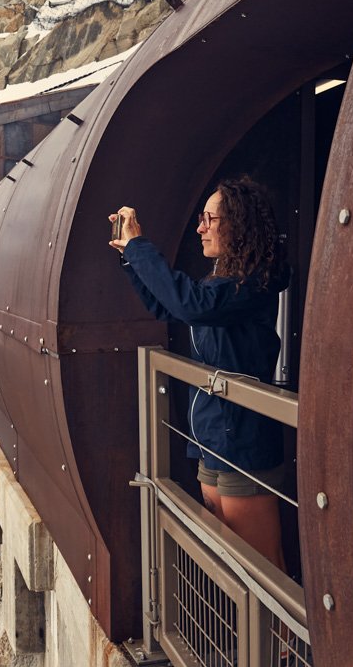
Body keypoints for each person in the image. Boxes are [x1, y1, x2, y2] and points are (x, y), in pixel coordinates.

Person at [109, 175, 290, 570]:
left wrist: (141, 248)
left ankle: (281, 635)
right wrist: (130, 258)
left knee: (261, 569)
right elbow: (167, 307)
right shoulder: (221, 284)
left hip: (242, 439)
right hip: (211, 437)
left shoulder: (250, 285)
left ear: (237, 226)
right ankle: (247, 634)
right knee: (231, 561)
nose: (200, 227)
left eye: (209, 219)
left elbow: (188, 305)